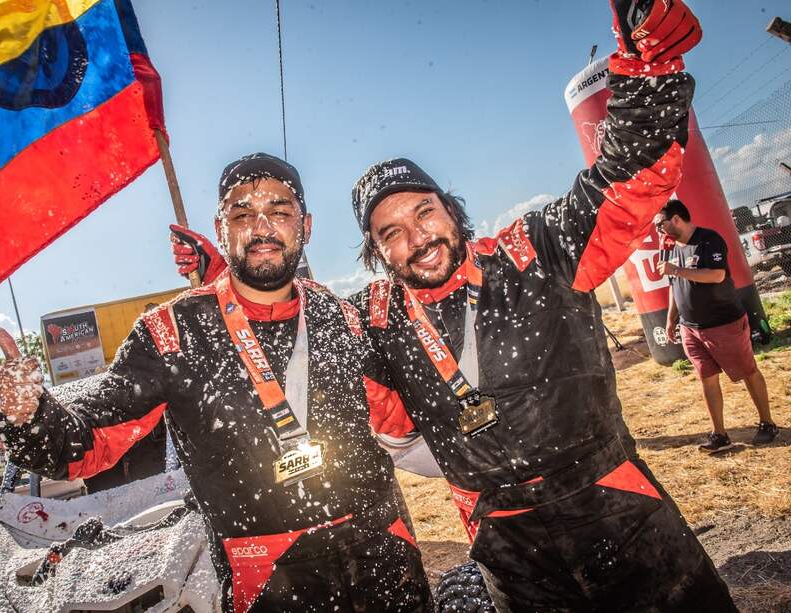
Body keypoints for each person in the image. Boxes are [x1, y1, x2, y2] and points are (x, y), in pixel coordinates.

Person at [173, 2, 732, 610]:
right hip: (508, 547)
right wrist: (224, 269)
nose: (416, 239)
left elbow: (626, 179)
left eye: (423, 213)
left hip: (619, 507)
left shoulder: (535, 251)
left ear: (451, 208)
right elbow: (285, 322)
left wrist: (647, 67)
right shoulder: (374, 317)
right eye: (390, 233)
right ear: (376, 252)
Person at [0, 153, 432, 613]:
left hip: (387, 561)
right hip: (271, 582)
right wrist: (28, 416)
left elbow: (400, 424)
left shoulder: (339, 315)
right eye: (243, 214)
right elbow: (84, 444)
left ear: (306, 226)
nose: (262, 227)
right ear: (221, 229)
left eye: (279, 211)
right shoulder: (171, 333)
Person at [654, 199, 780, 452]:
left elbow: (717, 275)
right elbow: (674, 287)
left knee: (747, 371)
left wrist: (677, 270)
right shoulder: (672, 248)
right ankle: (719, 434)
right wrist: (670, 319)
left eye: (660, 224)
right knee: (706, 378)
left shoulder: (708, 239)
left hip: (723, 323)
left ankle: (767, 423)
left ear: (676, 219)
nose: (658, 231)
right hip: (691, 327)